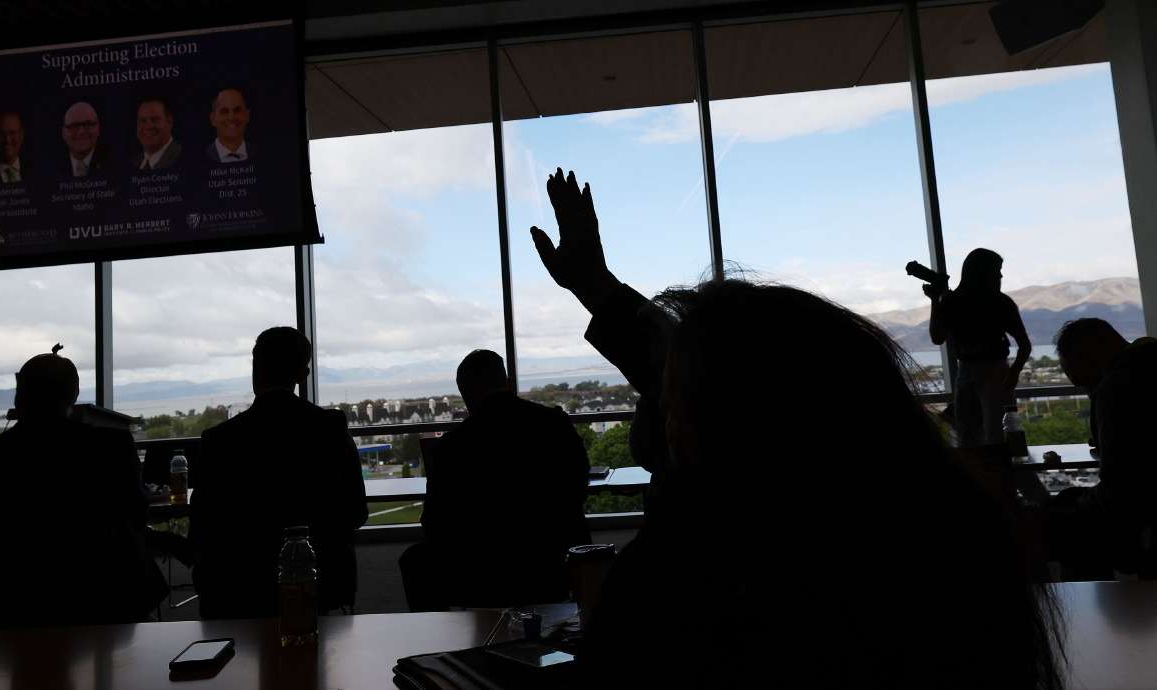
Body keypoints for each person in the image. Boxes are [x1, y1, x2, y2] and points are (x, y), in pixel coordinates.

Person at [530, 168, 1064, 689]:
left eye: (675, 405)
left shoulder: (693, 574)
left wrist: (597, 288)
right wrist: (597, 288)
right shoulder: (945, 550)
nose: (668, 427)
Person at [0, 346, 165, 627]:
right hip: (109, 598)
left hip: (13, 604)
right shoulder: (113, 447)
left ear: (19, 394)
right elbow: (135, 512)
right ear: (73, 395)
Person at [189, 327, 367, 619]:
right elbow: (356, 512)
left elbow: (202, 527)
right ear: (303, 374)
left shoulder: (218, 440)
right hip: (320, 585)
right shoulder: (330, 428)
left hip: (237, 589)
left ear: (255, 368)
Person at [399, 350, 590, 611]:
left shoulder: (452, 446)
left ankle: (444, 634)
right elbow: (578, 488)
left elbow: (435, 522)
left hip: (482, 573)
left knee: (415, 561)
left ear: (465, 394)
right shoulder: (555, 423)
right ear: (507, 382)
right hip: (554, 560)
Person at [1047, 318, 1157, 577]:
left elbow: (1121, 485)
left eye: (1084, 382)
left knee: (1063, 523)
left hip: (1144, 515)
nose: (1089, 392)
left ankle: (1095, 599)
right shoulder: (1147, 362)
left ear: (1089, 358)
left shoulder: (1116, 387)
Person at [927, 248, 1032, 447]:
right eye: (997, 271)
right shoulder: (1001, 303)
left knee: (966, 435)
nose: (1000, 276)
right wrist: (1013, 374)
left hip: (966, 370)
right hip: (996, 370)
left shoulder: (952, 301)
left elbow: (937, 337)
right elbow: (1024, 345)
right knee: (998, 434)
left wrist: (935, 301)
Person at [131, 96, 181, 170]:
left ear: (169, 122)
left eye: (155, 119)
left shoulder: (180, 157)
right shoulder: (134, 161)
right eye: (143, 120)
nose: (148, 126)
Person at [205, 87, 251, 164]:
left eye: (237, 110)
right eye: (224, 111)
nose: (231, 117)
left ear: (247, 115)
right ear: (213, 119)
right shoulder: (201, 156)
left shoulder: (260, 153)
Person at [60, 102, 107, 177]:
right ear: (63, 132)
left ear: (98, 128)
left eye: (88, 124)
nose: (81, 132)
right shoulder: (48, 167)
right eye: (74, 125)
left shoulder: (117, 163)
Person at [0, 111, 30, 184]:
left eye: (12, 133)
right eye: (1, 134)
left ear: (21, 135)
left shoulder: (37, 171)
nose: (7, 140)